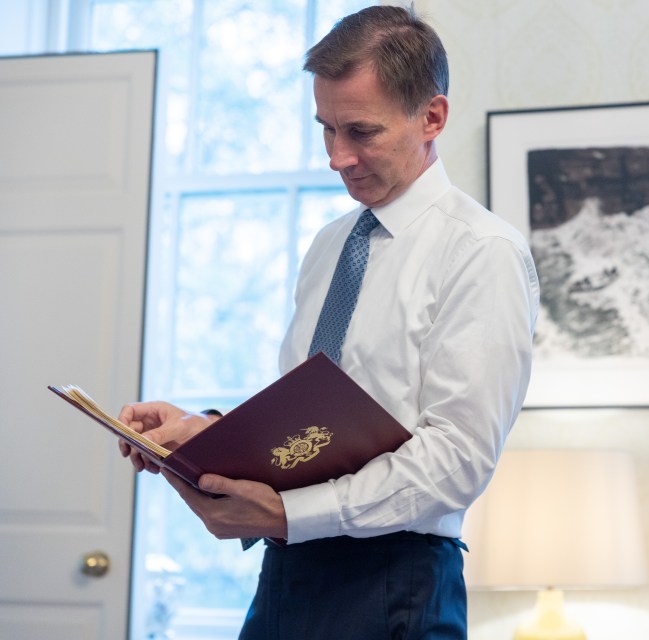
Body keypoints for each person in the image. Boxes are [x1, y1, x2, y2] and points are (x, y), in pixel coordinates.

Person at [118, 5, 540, 639]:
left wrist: (288, 514)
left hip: (395, 582)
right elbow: (313, 424)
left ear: (432, 117)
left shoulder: (483, 252)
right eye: (326, 129)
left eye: (361, 132)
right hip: (288, 574)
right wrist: (202, 432)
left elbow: (457, 461)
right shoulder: (331, 244)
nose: (338, 158)